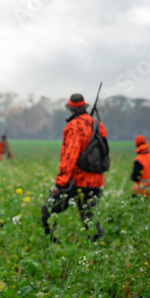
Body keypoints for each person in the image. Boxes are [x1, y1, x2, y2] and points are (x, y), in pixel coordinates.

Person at [41, 93, 106, 242]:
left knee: (48, 209)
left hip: (78, 181)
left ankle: (53, 244)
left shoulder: (73, 126)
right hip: (96, 181)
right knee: (89, 218)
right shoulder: (98, 125)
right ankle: (98, 249)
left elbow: (69, 157)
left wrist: (60, 183)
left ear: (71, 109)